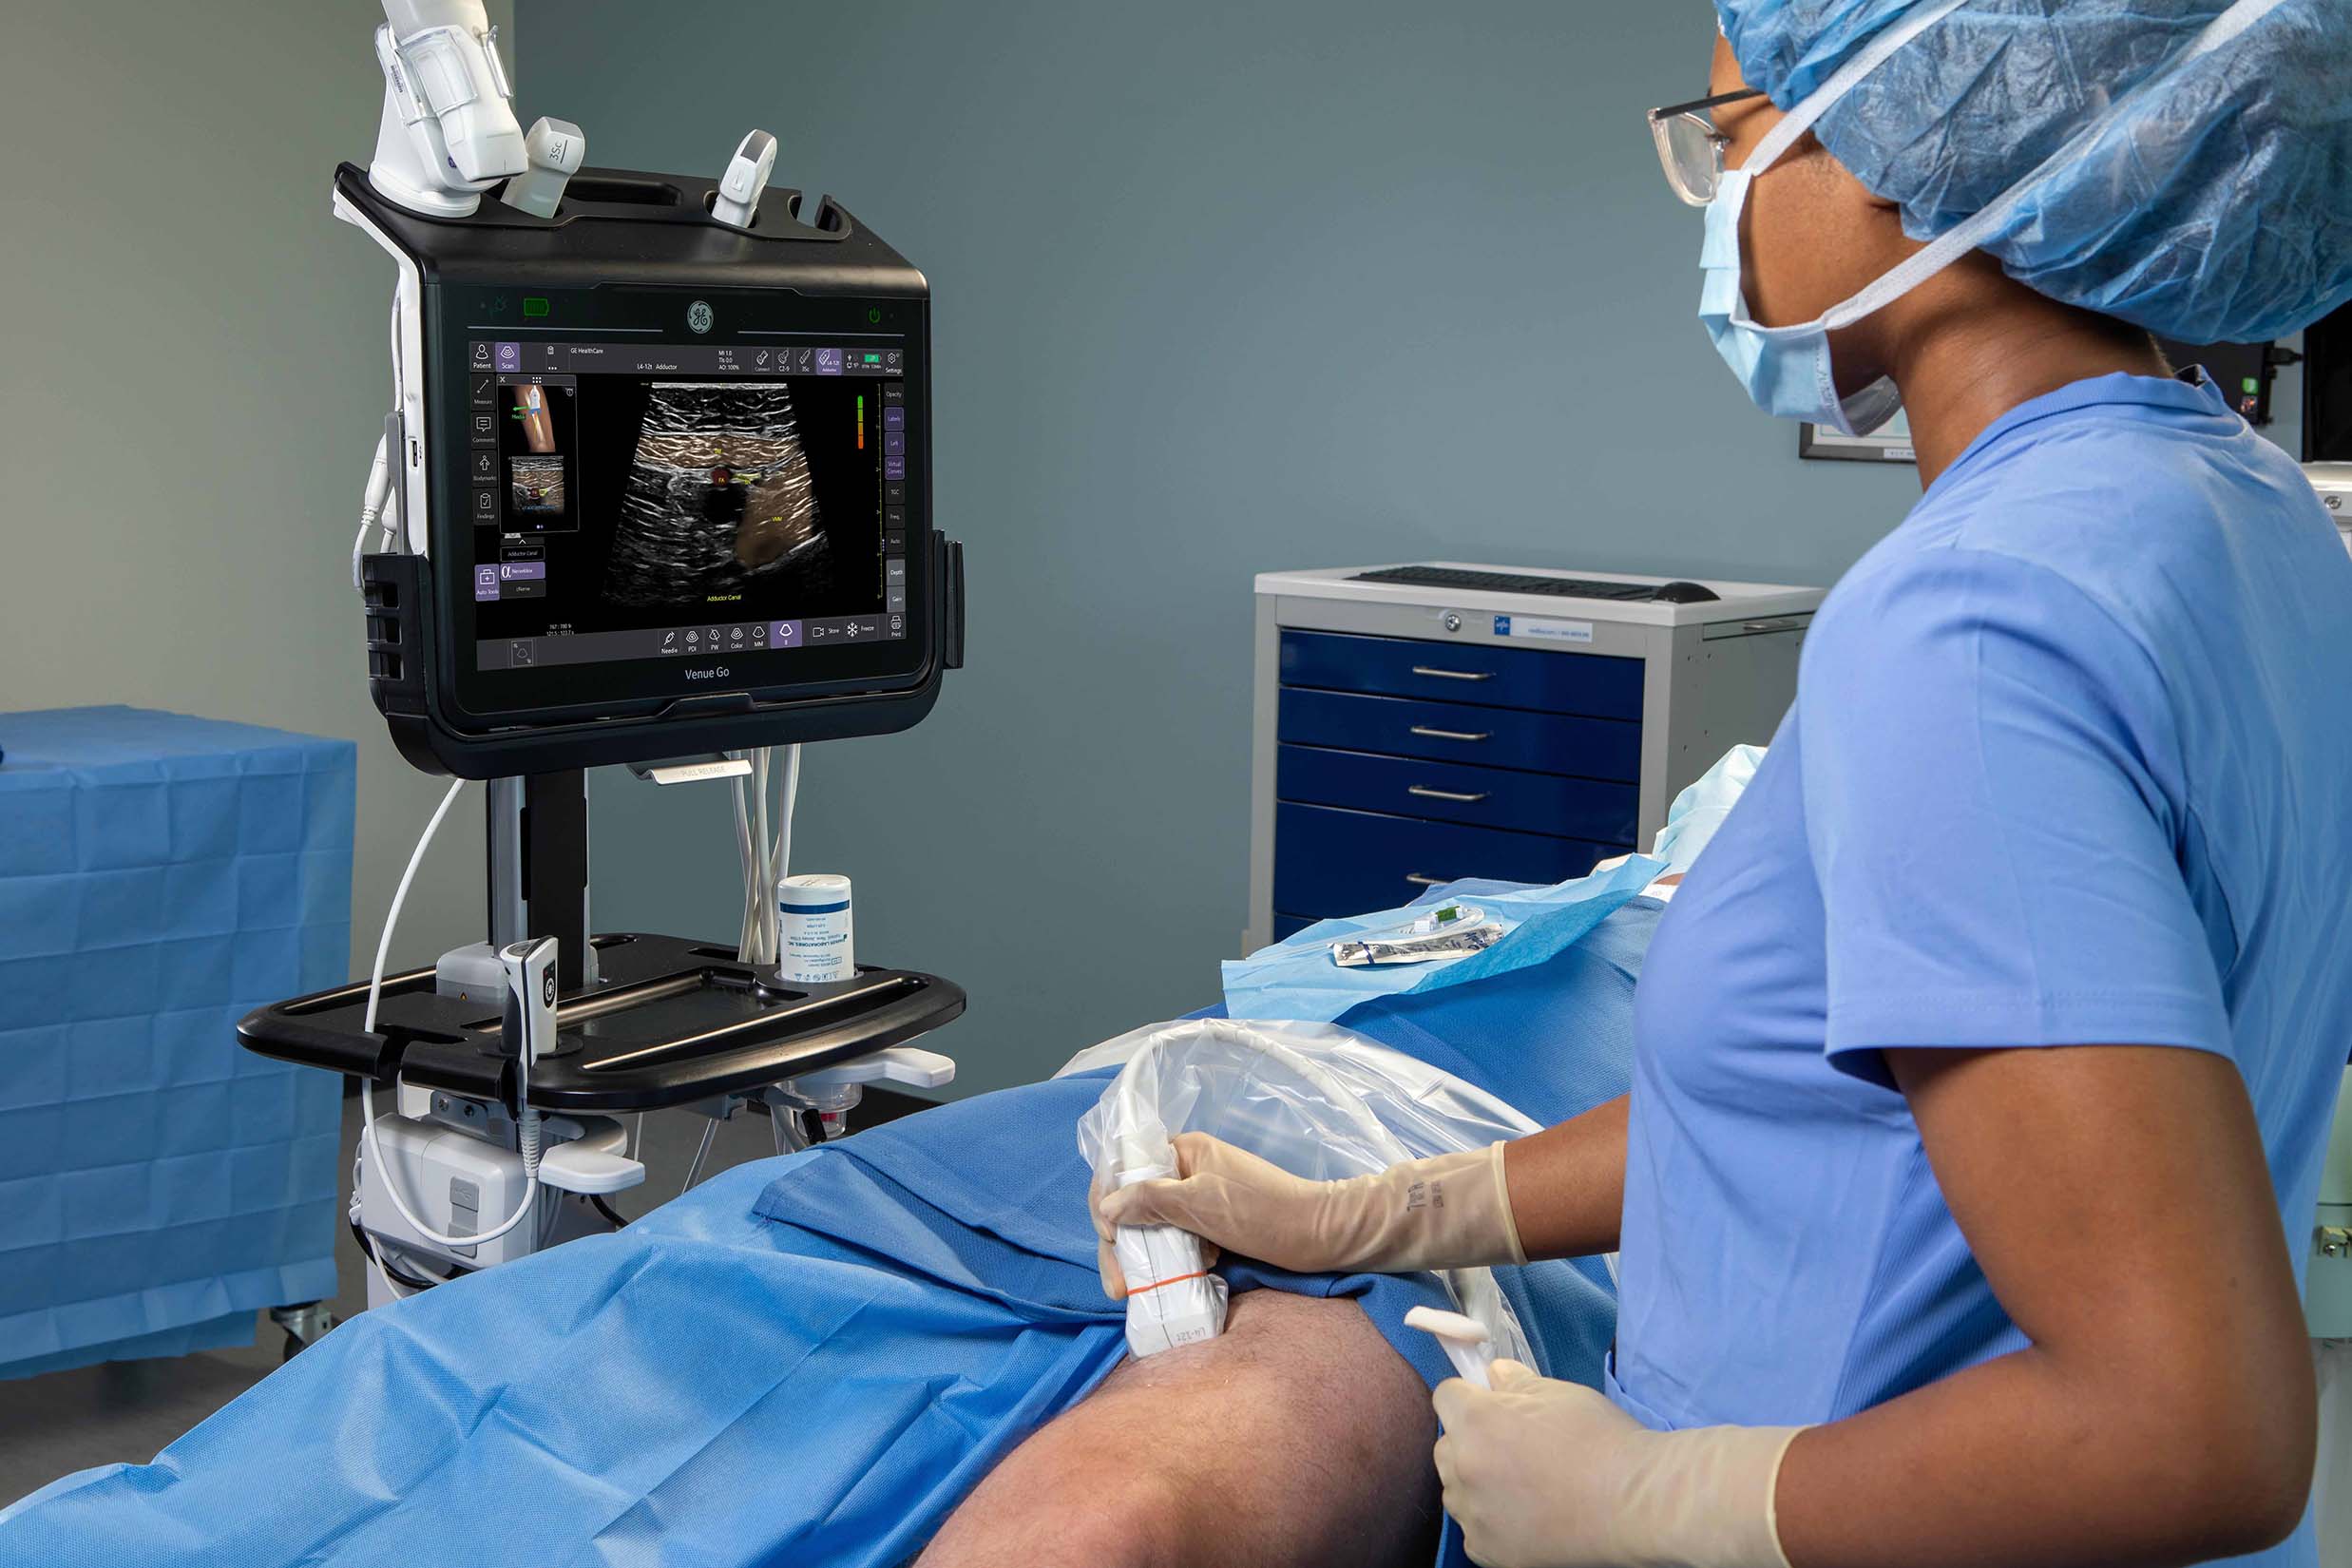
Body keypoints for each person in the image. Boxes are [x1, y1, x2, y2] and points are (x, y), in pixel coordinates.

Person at [1099, 4, 2352, 1567]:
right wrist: (1383, 1210)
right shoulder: (2252, 517)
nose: (1718, 203)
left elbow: (2192, 1432)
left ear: (1909, 141)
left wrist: (1653, 1502)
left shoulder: (1966, 625)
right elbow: (1855, 1107)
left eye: (1735, 140)